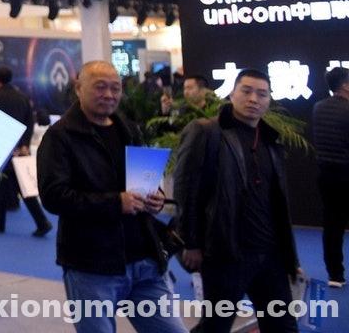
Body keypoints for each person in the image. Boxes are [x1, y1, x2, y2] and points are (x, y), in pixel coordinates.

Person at [38, 61, 184, 333]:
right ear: (79, 88)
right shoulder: (60, 137)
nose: (109, 94)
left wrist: (156, 197)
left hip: (145, 259)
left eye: (115, 88)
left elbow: (143, 180)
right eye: (100, 87)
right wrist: (115, 203)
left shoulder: (127, 127)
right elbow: (54, 196)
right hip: (92, 264)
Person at [174, 68, 300, 333]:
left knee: (283, 325)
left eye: (262, 94)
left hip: (270, 253)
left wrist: (290, 257)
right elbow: (186, 190)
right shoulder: (206, 131)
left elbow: (278, 204)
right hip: (226, 252)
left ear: (269, 100)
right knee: (216, 326)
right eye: (246, 91)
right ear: (231, 94)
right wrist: (190, 242)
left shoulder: (270, 140)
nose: (254, 99)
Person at [0, 66, 52, 237]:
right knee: (15, 186)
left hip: (2, 149)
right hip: (20, 149)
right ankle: (38, 222)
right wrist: (25, 144)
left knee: (3, 185)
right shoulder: (22, 98)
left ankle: (1, 223)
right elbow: (29, 122)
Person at [311, 67, 349, 288]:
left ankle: (335, 275)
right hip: (346, 174)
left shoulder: (319, 107)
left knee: (332, 226)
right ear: (345, 85)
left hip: (326, 175)